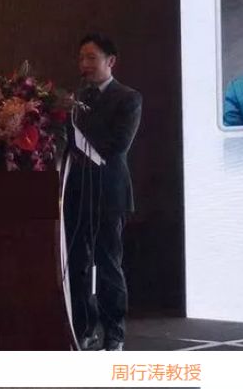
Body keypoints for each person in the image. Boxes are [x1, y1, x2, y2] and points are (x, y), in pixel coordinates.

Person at [62, 33, 142, 351]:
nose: (84, 64)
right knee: (76, 264)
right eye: (81, 58)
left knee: (108, 265)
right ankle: (83, 328)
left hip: (109, 192)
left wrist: (79, 133)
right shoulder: (75, 100)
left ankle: (114, 335)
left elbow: (118, 144)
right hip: (76, 191)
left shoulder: (128, 98)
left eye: (91, 58)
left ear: (111, 61)